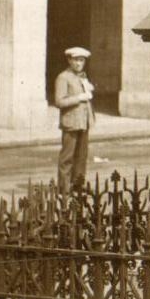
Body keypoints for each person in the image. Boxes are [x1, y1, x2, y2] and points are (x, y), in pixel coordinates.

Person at [54, 45, 94, 192]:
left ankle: (78, 184)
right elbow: (59, 101)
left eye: (81, 60)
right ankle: (64, 188)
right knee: (67, 157)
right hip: (71, 122)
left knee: (81, 156)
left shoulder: (82, 77)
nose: (78, 63)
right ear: (69, 60)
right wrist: (79, 97)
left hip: (83, 121)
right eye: (76, 60)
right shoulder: (63, 77)